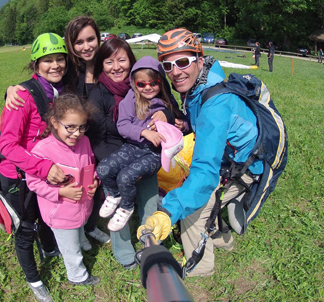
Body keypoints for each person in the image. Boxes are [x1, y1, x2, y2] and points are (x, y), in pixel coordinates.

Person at [137, 29, 263, 277]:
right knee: (204, 194)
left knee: (194, 208)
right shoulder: (199, 86)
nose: (175, 71)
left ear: (199, 60)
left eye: (182, 62)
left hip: (247, 167)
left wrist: (167, 213)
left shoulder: (214, 104)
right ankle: (222, 240)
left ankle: (200, 267)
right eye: (168, 65)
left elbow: (205, 175)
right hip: (233, 159)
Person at [4, 16, 110, 245]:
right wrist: (12, 90)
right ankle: (67, 234)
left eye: (91, 39)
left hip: (97, 140)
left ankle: (87, 227)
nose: (86, 46)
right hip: (73, 141)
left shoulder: (108, 65)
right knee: (70, 191)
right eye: (79, 42)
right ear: (72, 47)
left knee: (93, 189)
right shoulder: (71, 72)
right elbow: (40, 86)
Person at [87, 38, 181, 269]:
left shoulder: (147, 81)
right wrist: (124, 161)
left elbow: (175, 114)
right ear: (102, 65)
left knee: (148, 205)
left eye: (122, 60)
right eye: (109, 62)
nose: (116, 67)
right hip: (118, 157)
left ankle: (151, 246)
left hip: (148, 155)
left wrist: (166, 118)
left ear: (131, 61)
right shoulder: (99, 95)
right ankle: (125, 254)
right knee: (120, 207)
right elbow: (97, 138)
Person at [0, 33, 70, 301]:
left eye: (59, 59)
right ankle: (34, 279)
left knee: (45, 216)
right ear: (35, 64)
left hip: (41, 170)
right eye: (47, 60)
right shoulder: (23, 96)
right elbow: (8, 146)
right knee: (26, 229)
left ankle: (50, 249)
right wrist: (42, 168)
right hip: (18, 175)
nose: (55, 65)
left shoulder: (60, 92)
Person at [96, 56, 185, 232]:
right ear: (134, 84)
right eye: (141, 84)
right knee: (103, 169)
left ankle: (127, 207)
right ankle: (114, 195)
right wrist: (143, 132)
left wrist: (170, 116)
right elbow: (122, 126)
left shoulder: (166, 100)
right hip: (132, 147)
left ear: (161, 82)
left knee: (126, 177)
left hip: (154, 154)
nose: (148, 88)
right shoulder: (131, 99)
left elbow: (183, 123)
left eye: (153, 83)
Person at [26, 94, 100, 286]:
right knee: (71, 249)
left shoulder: (84, 141)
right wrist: (60, 192)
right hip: (60, 213)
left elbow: (91, 164)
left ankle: (82, 239)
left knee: (80, 225)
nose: (76, 133)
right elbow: (33, 183)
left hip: (82, 206)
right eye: (70, 127)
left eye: (82, 127)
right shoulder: (42, 150)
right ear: (54, 122)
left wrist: (94, 181)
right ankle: (78, 275)